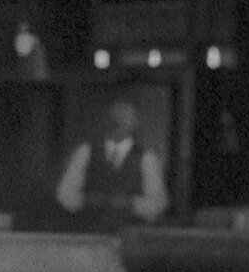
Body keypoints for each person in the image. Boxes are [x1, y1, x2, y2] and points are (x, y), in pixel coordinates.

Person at [54, 95, 168, 225]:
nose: (119, 121)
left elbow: (158, 203)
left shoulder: (147, 158)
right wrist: (87, 200)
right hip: (88, 229)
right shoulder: (85, 151)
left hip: (130, 231)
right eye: (116, 115)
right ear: (107, 119)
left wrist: (130, 203)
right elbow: (64, 194)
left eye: (126, 116)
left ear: (136, 122)